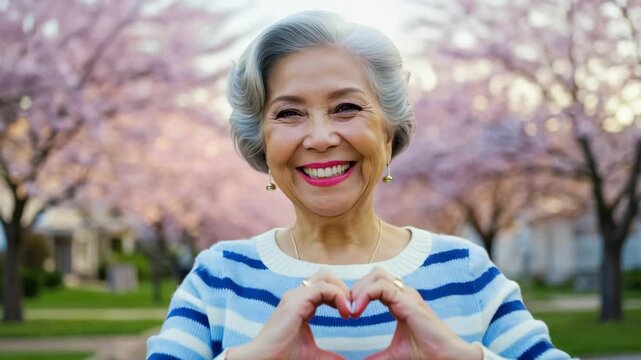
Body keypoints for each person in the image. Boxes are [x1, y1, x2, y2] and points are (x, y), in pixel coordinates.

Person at [147, 11, 571, 360]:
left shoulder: (466, 272)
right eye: (289, 114)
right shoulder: (218, 278)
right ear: (262, 142)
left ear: (387, 135)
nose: (319, 137)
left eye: (346, 108)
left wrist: (463, 358)